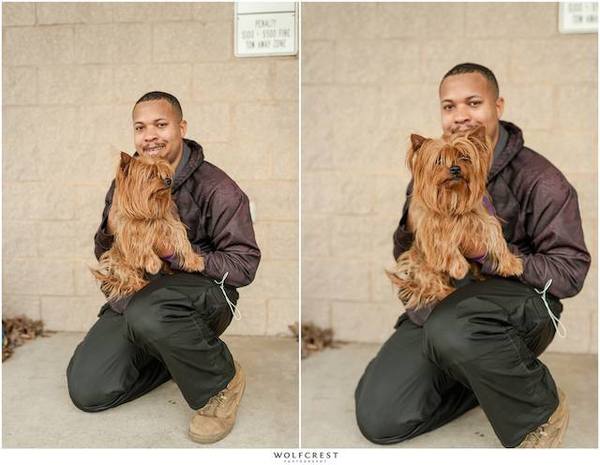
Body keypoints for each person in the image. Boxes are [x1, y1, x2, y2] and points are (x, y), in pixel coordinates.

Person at [355, 63, 591, 448]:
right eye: (448, 106)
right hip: (443, 305)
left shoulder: (542, 179)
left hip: (518, 305)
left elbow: (570, 272)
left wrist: (487, 253)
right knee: (380, 417)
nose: (460, 115)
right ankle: (487, 379)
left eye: (474, 102)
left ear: (498, 105)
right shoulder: (431, 167)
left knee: (455, 326)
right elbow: (406, 247)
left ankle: (538, 409)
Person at [66, 91, 261, 444]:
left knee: (151, 309)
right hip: (136, 297)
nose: (150, 135)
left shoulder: (218, 188)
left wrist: (177, 254)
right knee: (89, 389)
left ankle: (221, 381)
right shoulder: (125, 180)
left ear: (181, 127)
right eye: (140, 127)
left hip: (201, 297)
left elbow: (244, 266)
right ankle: (182, 357)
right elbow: (105, 252)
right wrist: (111, 228)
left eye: (161, 124)